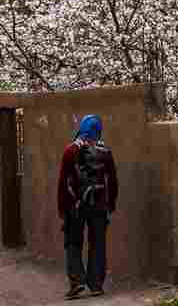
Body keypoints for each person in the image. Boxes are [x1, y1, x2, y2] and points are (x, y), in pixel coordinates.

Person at [57, 114, 118, 299]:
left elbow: (63, 182)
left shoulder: (70, 150)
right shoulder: (105, 152)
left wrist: (63, 208)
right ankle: (96, 284)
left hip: (75, 205)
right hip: (99, 205)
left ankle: (76, 281)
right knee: (97, 243)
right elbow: (113, 181)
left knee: (73, 243)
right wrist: (111, 204)